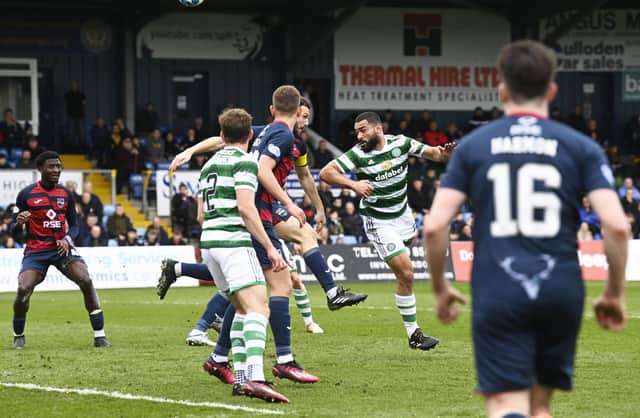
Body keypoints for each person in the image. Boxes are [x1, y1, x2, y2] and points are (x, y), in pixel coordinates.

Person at [423, 40, 628, 418]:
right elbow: (616, 226)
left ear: (502, 91)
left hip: (498, 287)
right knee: (540, 405)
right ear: (551, 91)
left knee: (505, 403)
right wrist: (614, 293)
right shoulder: (581, 147)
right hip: (561, 288)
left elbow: (435, 226)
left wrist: (440, 289)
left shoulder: (474, 147)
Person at [320, 111, 454, 351]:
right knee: (407, 273)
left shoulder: (400, 143)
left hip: (402, 215)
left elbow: (434, 153)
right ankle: (414, 334)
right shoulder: (357, 155)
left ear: (378, 129)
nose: (358, 135)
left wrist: (445, 154)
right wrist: (353, 184)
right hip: (378, 220)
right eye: (356, 131)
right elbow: (326, 173)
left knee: (409, 249)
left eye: (363, 129)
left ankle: (397, 264)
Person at [197, 107, 289, 402]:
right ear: (251, 134)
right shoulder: (245, 163)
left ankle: (239, 380)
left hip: (209, 243)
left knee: (241, 310)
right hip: (233, 243)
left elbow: (200, 214)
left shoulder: (208, 165)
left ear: (222, 135)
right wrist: (270, 247)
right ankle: (256, 378)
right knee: (260, 309)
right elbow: (247, 209)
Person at [10, 151, 110, 349]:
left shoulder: (66, 194)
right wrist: (19, 223)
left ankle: (100, 336)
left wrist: (67, 238)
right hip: (36, 251)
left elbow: (74, 225)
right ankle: (18, 336)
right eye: (51, 166)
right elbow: (15, 232)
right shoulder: (26, 195)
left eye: (58, 166)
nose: (56, 170)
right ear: (41, 169)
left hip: (61, 249)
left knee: (86, 280)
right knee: (23, 289)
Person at [64, 81, 86, 151]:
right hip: (71, 116)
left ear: (77, 86)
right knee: (71, 133)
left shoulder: (81, 94)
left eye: (75, 85)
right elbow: (65, 100)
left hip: (79, 116)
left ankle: (82, 148)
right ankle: (70, 149)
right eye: (73, 85)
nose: (74, 86)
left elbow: (84, 103)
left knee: (81, 133)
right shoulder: (68, 94)